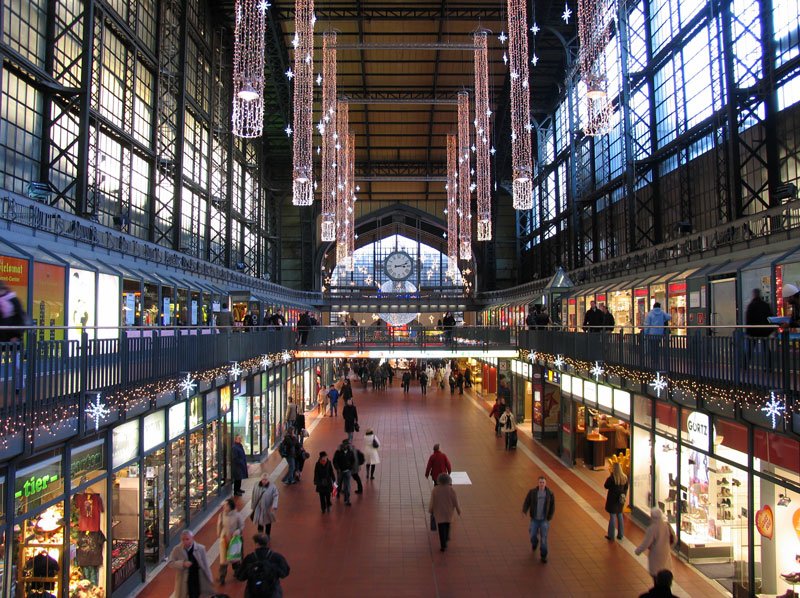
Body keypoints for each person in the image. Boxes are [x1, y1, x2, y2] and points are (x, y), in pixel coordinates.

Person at [235, 533, 290, 598]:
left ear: (257, 544)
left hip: (252, 592)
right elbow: (285, 573)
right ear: (267, 543)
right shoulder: (276, 557)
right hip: (272, 592)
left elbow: (240, 576)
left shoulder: (249, 558)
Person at [634, 507, 675, 585]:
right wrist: (669, 547)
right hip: (666, 553)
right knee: (665, 573)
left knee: (656, 575)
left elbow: (646, 543)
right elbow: (674, 538)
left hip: (655, 555)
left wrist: (638, 551)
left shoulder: (652, 528)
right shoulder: (666, 525)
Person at [168, 530, 214, 598]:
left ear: (192, 538)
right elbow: (170, 563)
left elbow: (205, 565)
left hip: (197, 578)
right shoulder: (177, 549)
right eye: (183, 539)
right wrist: (182, 563)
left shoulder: (201, 548)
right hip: (183, 580)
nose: (185, 541)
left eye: (187, 539)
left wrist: (210, 578)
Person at [522, 476, 556, 563]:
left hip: (544, 520)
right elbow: (527, 501)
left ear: (545, 483)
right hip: (534, 519)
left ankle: (543, 556)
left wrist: (549, 517)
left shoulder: (550, 494)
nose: (541, 484)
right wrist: (524, 510)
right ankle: (534, 543)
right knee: (532, 534)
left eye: (543, 482)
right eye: (540, 482)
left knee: (544, 539)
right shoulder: (532, 492)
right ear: (538, 483)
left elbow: (552, 506)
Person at [429, 473, 461, 552]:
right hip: (448, 511)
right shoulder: (451, 490)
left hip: (439, 511)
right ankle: (446, 537)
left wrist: (431, 509)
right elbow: (455, 501)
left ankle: (443, 544)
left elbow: (432, 501)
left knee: (440, 527)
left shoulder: (435, 489)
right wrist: (458, 510)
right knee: (447, 524)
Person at [217, 498, 245, 584]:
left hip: (235, 540)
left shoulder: (237, 515)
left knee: (235, 558)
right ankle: (222, 577)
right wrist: (219, 535)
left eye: (225, 505)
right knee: (223, 560)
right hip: (225, 539)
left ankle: (238, 573)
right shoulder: (221, 515)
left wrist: (238, 531)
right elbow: (219, 525)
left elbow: (242, 525)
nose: (224, 507)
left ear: (230, 506)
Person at [744, 288, 774, 369]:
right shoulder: (765, 305)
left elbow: (748, 319)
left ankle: (745, 365)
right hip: (764, 331)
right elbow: (770, 317)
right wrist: (770, 330)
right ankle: (769, 366)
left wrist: (748, 331)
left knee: (749, 349)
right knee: (766, 349)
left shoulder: (751, 305)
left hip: (753, 331)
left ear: (754, 294)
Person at [604, 462, 629, 541]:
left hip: (612, 500)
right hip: (620, 500)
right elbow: (626, 488)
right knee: (620, 515)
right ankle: (620, 534)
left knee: (612, 517)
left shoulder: (612, 478)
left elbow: (606, 486)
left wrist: (611, 475)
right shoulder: (625, 477)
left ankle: (611, 535)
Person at [332, 439, 356, 506]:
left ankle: (347, 500)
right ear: (343, 445)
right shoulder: (338, 452)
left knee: (347, 486)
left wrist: (350, 468)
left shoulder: (350, 452)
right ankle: (337, 492)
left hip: (347, 471)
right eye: (347, 444)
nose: (348, 446)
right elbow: (334, 461)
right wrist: (337, 468)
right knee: (338, 484)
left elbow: (353, 460)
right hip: (340, 472)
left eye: (348, 445)